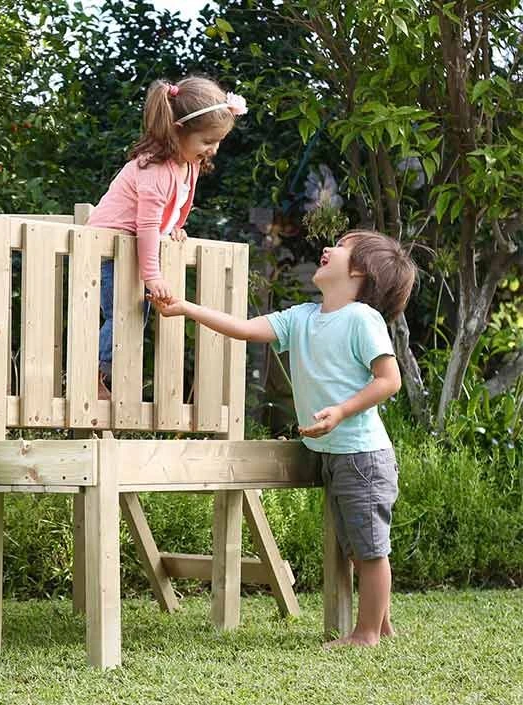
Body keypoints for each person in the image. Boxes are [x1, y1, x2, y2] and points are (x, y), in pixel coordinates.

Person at [148, 229, 417, 648]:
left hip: (363, 455)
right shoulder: (303, 318)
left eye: (341, 247)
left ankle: (367, 634)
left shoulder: (362, 319)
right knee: (355, 546)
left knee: (369, 549)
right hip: (335, 454)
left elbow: (390, 380)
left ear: (361, 271)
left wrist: (342, 411)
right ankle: (379, 624)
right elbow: (242, 328)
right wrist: (185, 308)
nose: (327, 249)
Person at [87, 76, 247, 400]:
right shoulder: (155, 170)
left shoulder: (188, 163)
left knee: (134, 314)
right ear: (177, 130)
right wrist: (153, 275)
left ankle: (102, 374)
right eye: (206, 141)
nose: (213, 149)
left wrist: (175, 224)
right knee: (121, 313)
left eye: (218, 141)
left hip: (129, 247)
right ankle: (92, 373)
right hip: (109, 248)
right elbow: (145, 226)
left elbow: (183, 198)